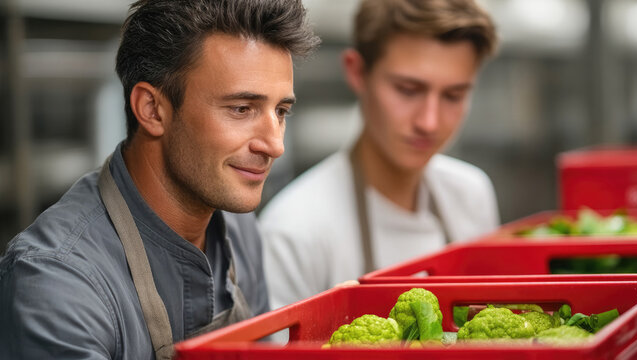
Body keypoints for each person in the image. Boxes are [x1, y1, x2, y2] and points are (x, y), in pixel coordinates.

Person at [0, 0, 319, 359]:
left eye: (280, 111)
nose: (275, 145)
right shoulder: (58, 283)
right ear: (152, 110)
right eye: (241, 109)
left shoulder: (239, 230)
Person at [260, 0, 500, 311]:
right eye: (408, 90)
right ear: (357, 72)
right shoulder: (294, 231)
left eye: (453, 96)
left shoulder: (472, 194)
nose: (429, 121)